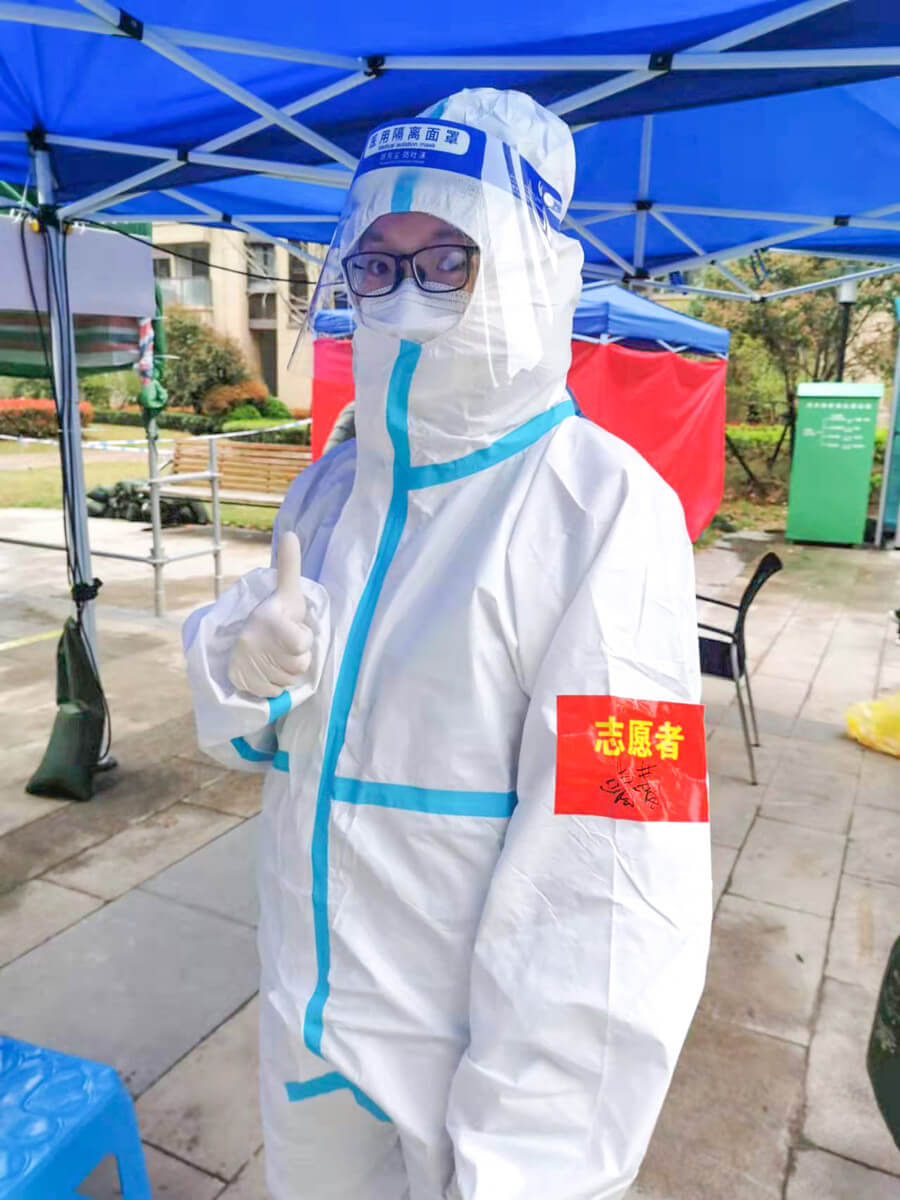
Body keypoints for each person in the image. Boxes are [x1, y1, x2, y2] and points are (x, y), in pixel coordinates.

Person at [184, 87, 711, 1200]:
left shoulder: (603, 511)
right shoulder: (336, 485)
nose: (407, 293)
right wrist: (243, 663)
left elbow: (617, 888)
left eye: (448, 260)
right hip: (305, 1019)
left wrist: (532, 1165)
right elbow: (252, 740)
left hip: (466, 1064)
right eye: (379, 263)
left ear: (527, 268)